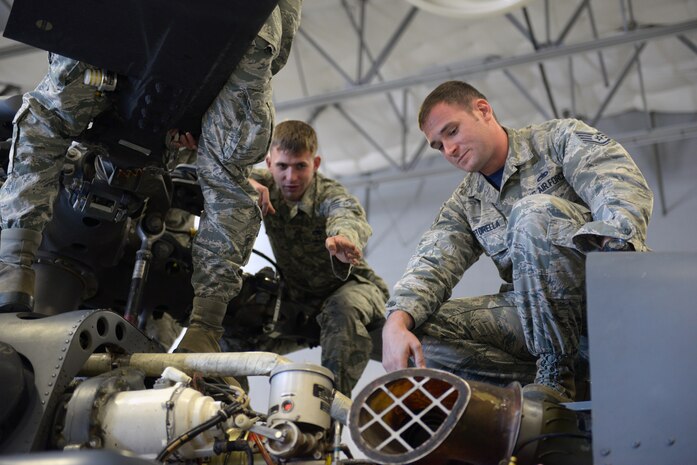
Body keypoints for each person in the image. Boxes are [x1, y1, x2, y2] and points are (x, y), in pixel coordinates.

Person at [0, 1, 303, 359]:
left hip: (127, 13)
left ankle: (14, 267)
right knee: (227, 180)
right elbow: (280, 39)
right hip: (245, 25)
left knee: (45, 121)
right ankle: (205, 327)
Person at [381, 80, 653, 401]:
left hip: (605, 296)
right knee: (421, 337)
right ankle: (538, 389)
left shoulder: (556, 140)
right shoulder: (467, 202)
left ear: (483, 110)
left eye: (452, 132)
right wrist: (395, 323)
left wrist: (618, 242)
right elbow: (432, 262)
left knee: (532, 214)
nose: (449, 150)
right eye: (439, 145)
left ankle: (555, 373)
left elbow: (616, 184)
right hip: (536, 320)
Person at [243, 120, 389, 396]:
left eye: (301, 166)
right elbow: (209, 172)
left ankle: (328, 415)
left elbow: (346, 213)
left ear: (316, 163)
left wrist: (344, 237)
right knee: (236, 323)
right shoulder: (261, 183)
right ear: (268, 162)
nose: (290, 177)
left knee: (341, 309)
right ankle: (228, 408)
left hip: (352, 288)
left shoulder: (328, 193)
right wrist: (240, 184)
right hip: (297, 298)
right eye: (282, 167)